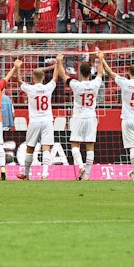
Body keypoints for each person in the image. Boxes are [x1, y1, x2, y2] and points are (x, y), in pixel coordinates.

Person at [56, 51, 104, 181]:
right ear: (90, 73)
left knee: (74, 144)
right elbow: (100, 73)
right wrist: (100, 59)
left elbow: (62, 74)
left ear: (80, 72)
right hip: (90, 117)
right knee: (90, 146)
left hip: (77, 117)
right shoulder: (95, 84)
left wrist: (59, 60)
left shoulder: (76, 84)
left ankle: (81, 166)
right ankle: (87, 175)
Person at [17, 60, 60, 181]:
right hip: (47, 121)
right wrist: (58, 63)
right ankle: (45, 174)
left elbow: (20, 81)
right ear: (44, 77)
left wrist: (17, 68)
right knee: (46, 147)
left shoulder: (30, 88)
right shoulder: (48, 88)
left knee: (30, 147)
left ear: (33, 78)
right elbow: (55, 77)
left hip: (34, 121)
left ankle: (26, 174)